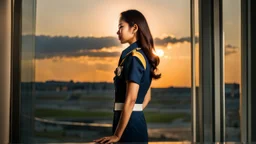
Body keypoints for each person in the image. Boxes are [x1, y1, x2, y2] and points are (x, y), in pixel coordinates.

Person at [93, 9, 161, 144]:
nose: (117, 32)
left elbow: (131, 99)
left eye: (121, 27)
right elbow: (147, 97)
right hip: (133, 121)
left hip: (128, 127)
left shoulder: (134, 58)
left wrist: (117, 135)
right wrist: (134, 113)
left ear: (134, 28)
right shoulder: (143, 56)